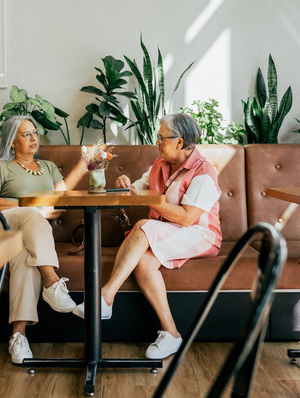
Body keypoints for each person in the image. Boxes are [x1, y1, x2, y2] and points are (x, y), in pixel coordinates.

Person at [73, 113, 222, 359]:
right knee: (143, 262)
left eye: (162, 138)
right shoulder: (159, 165)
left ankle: (106, 296)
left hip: (199, 234)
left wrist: (147, 201)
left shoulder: (203, 172)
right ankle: (172, 334)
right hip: (167, 231)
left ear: (180, 142)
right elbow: (137, 190)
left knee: (144, 225)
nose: (157, 142)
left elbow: (187, 218)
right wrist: (126, 184)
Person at [0, 115, 77, 364]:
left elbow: (62, 204)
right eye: (26, 134)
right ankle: (52, 282)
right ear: (12, 142)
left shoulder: (50, 167)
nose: (34, 139)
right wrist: (30, 207)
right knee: (31, 213)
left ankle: (18, 337)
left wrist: (39, 212)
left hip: (26, 236)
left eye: (34, 133)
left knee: (25, 258)